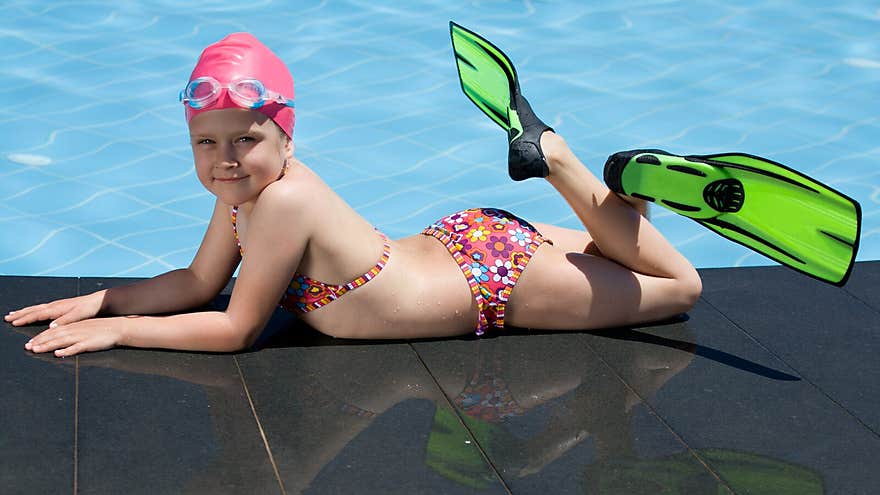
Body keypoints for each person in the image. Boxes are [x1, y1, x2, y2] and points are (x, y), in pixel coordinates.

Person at [4, 32, 702, 357]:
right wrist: (105, 298)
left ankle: (557, 157)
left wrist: (123, 333)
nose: (224, 161)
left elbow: (235, 329)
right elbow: (196, 281)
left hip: (496, 282)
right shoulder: (244, 190)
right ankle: (627, 196)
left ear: (286, 139)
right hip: (465, 242)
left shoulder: (279, 203)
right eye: (205, 143)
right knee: (630, 260)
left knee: (679, 287)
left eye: (244, 139)